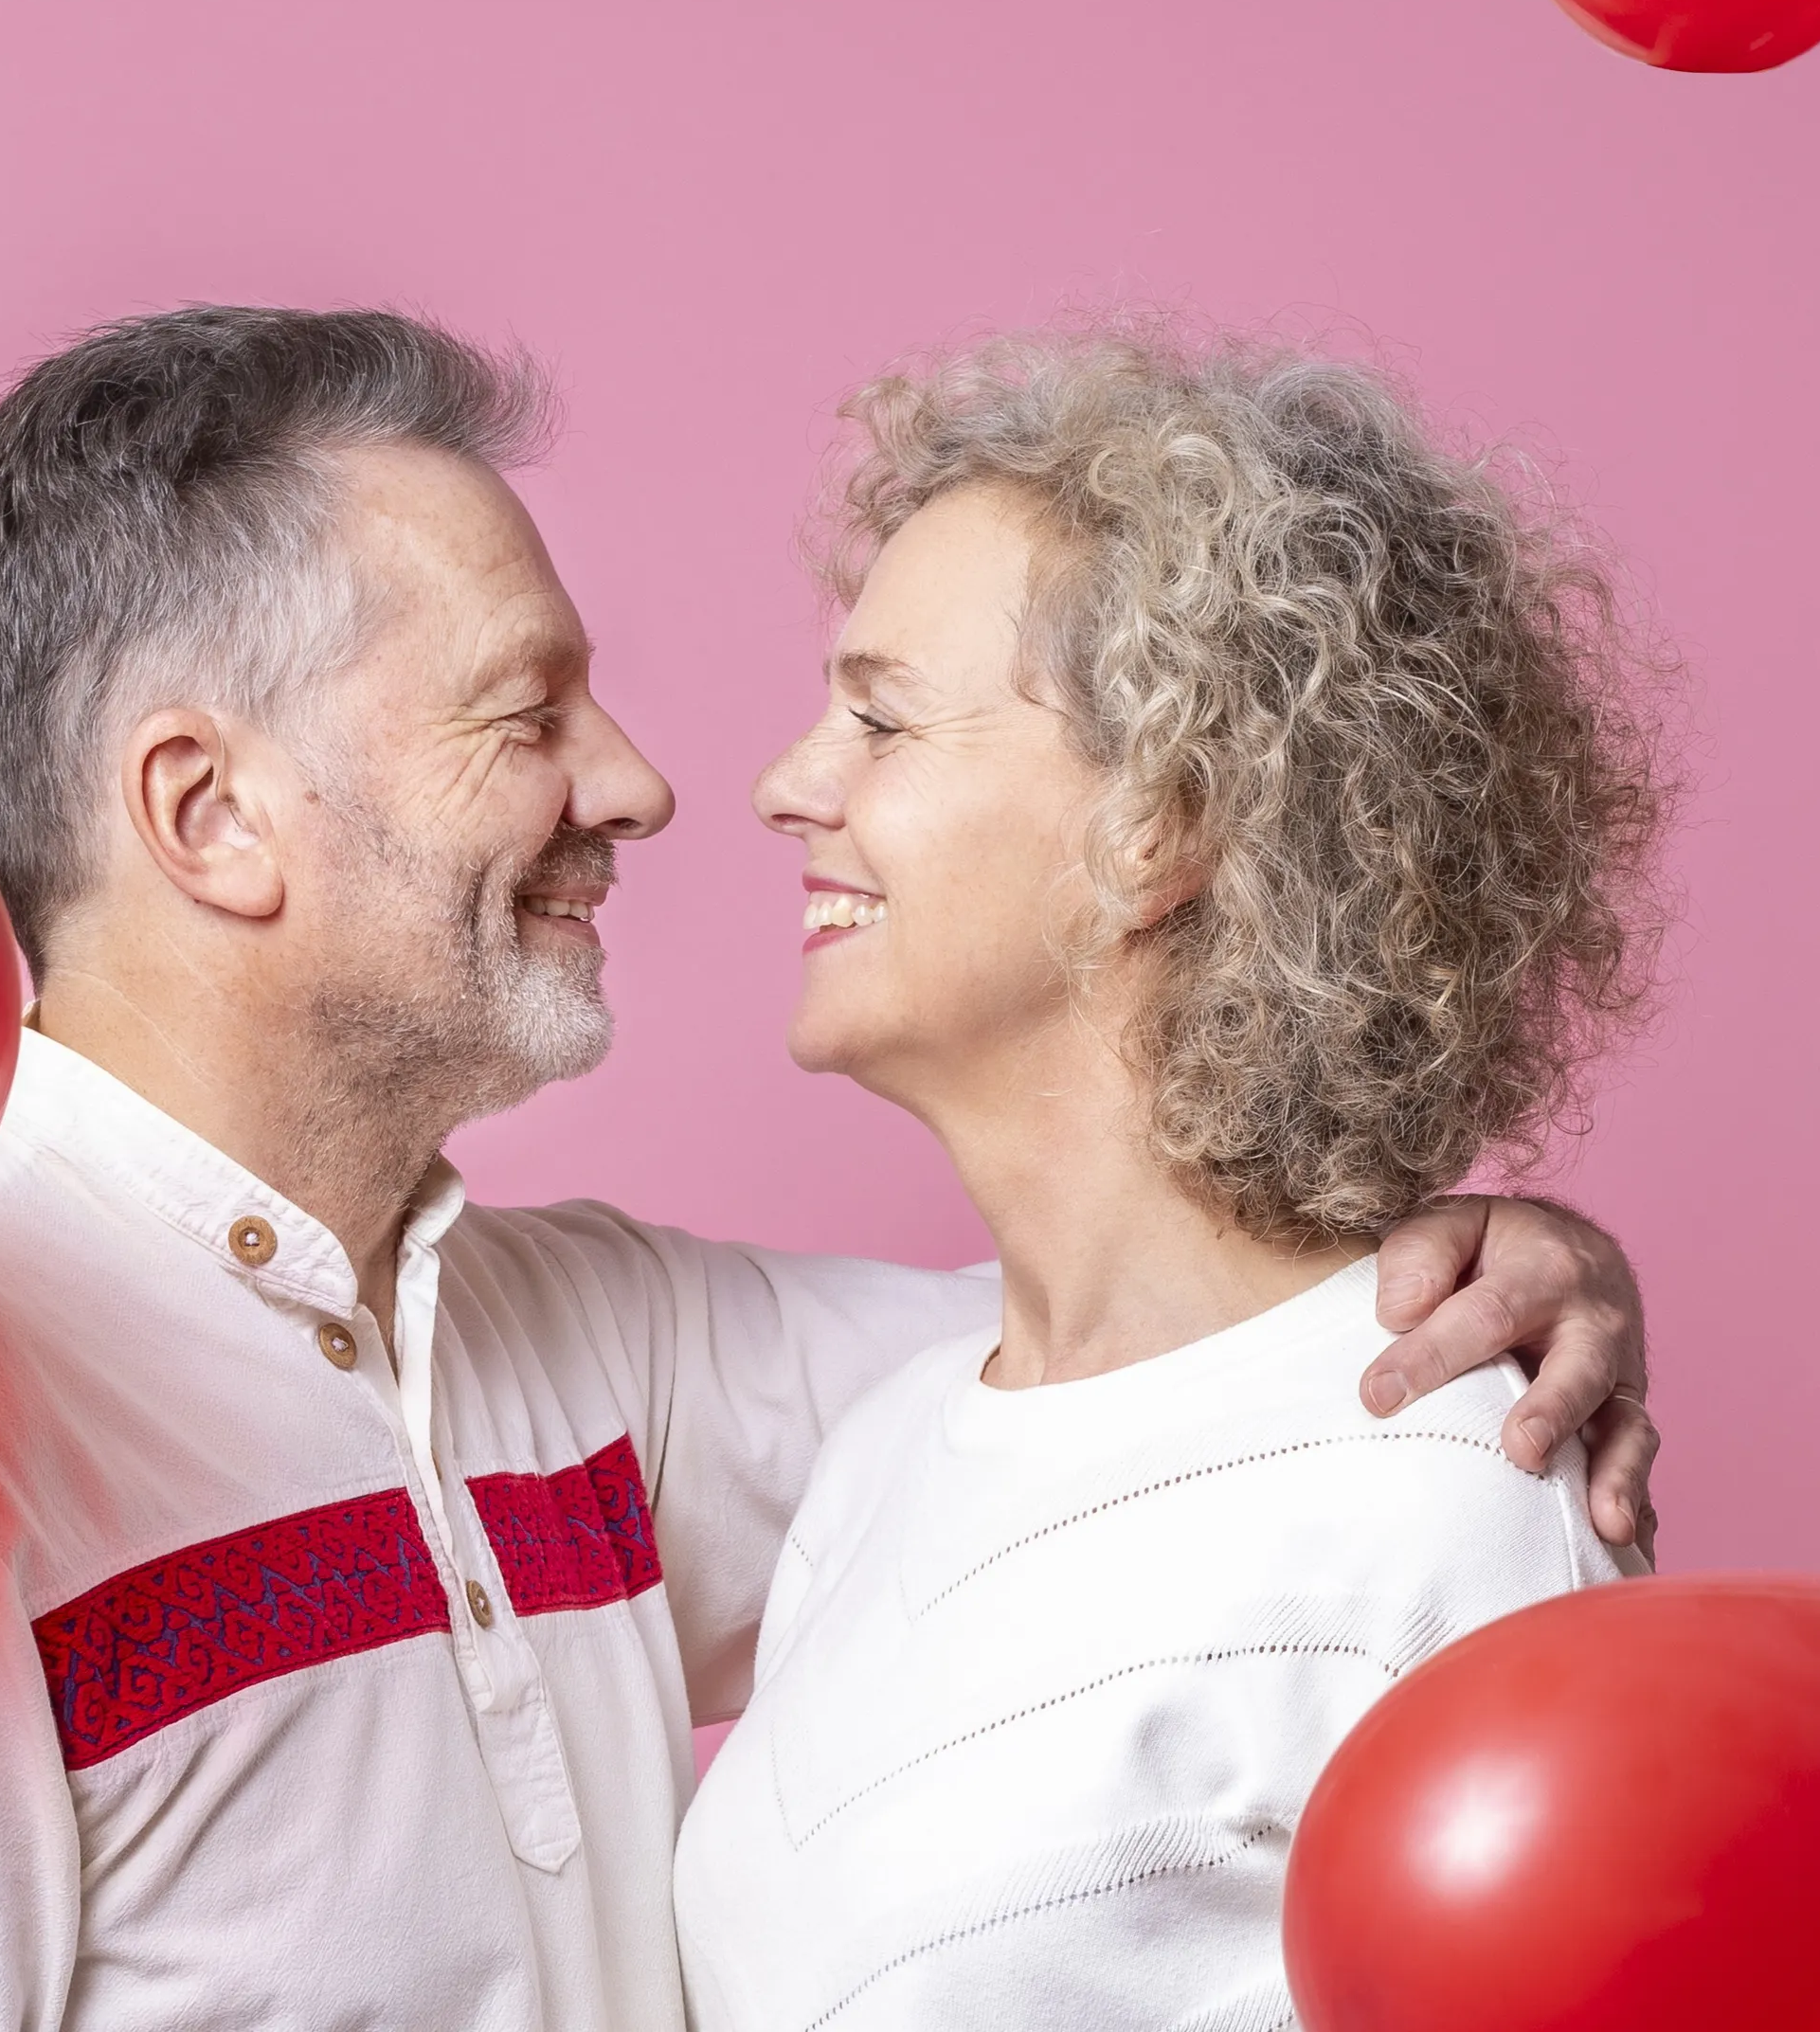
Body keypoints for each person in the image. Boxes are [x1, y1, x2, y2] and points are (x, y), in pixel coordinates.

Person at [0, 307, 1660, 2031]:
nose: (651, 783)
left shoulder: (591, 1355)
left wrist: (1483, 1261)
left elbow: (1152, 1375)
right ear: (211, 813)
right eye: (527, 713)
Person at [671, 328, 1668, 2029]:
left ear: (1162, 823)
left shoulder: (1450, 1500)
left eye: (881, 718)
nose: (786, 785)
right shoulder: (885, 1449)